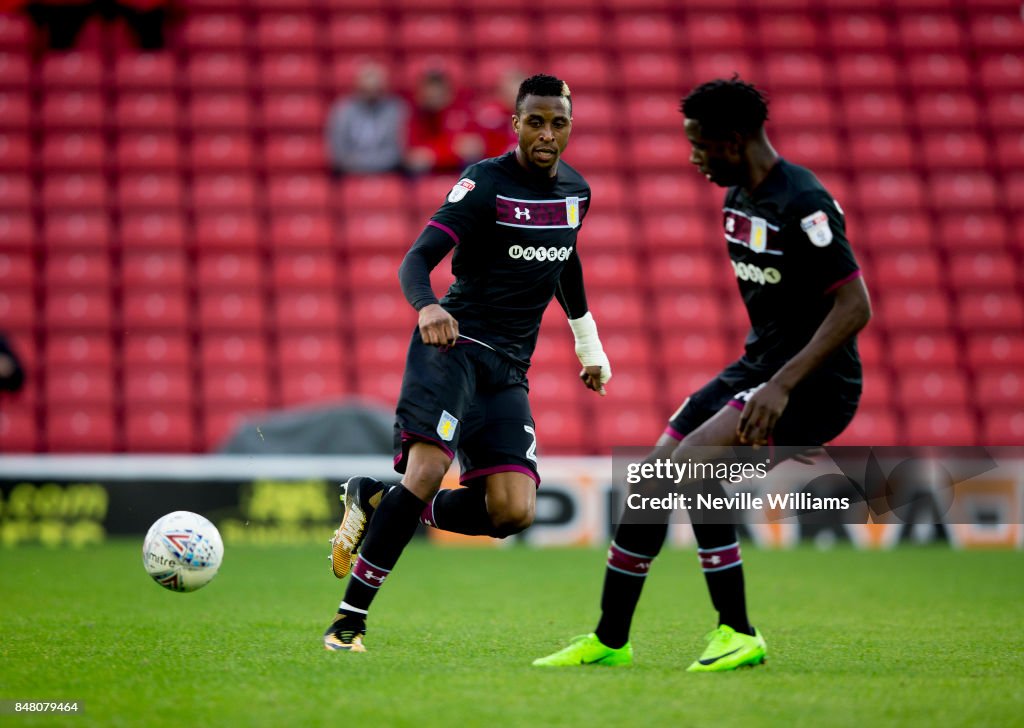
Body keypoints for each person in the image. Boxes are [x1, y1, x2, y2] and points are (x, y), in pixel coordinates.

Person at [532, 77, 872, 670]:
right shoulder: (737, 197)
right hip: (758, 368)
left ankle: (738, 632)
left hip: (813, 388)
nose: (693, 157)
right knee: (652, 482)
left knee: (690, 468)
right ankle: (610, 640)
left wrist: (782, 385)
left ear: (734, 140)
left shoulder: (803, 202)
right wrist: (765, 375)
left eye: (700, 145)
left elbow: (855, 306)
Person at [322, 73, 613, 652]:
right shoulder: (484, 183)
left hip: (508, 370)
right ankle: (348, 622)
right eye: (536, 121)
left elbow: (567, 264)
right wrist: (427, 305)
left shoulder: (576, 193)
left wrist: (590, 347)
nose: (547, 134)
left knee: (511, 513)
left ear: (571, 125)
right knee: (427, 473)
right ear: (516, 123)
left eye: (558, 122)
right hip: (452, 349)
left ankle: (380, 501)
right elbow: (417, 259)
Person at [326, 61, 407, 175]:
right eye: (366, 89)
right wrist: (359, 165)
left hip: (387, 172)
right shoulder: (342, 110)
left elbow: (398, 150)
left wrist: (372, 166)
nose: (371, 93)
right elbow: (338, 151)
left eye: (375, 89)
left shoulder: (396, 110)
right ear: (358, 86)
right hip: (349, 173)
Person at [404, 68, 485, 176]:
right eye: (430, 96)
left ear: (449, 93)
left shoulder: (463, 112)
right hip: (426, 172)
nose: (434, 99)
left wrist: (432, 154)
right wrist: (452, 149)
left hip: (458, 168)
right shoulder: (414, 115)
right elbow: (413, 157)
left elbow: (472, 147)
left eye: (439, 95)